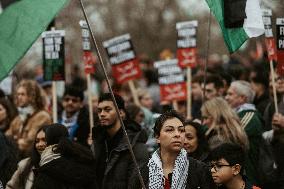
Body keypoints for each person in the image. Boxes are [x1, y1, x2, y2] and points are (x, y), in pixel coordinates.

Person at [144, 110, 216, 189]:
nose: (177, 134)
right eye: (170, 130)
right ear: (157, 137)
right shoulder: (143, 171)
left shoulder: (199, 170)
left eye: (181, 130)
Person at [92, 93, 149, 189]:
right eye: (99, 110)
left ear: (121, 113)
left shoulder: (135, 145)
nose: (102, 114)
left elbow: (136, 184)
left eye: (107, 109)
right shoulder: (97, 142)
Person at [32, 123, 97, 189]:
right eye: (37, 141)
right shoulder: (83, 160)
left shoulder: (46, 169)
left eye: (44, 139)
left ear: (48, 141)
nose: (40, 144)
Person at [225, 80, 263, 185]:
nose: (226, 97)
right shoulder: (234, 115)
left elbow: (230, 138)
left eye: (230, 94)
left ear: (242, 98)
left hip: (248, 175)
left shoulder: (250, 116)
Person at [6, 79, 51, 156]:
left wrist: (15, 141)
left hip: (34, 160)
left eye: (23, 94)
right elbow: (6, 139)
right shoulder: (18, 118)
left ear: (32, 96)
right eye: (18, 94)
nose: (19, 97)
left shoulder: (42, 116)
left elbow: (28, 143)